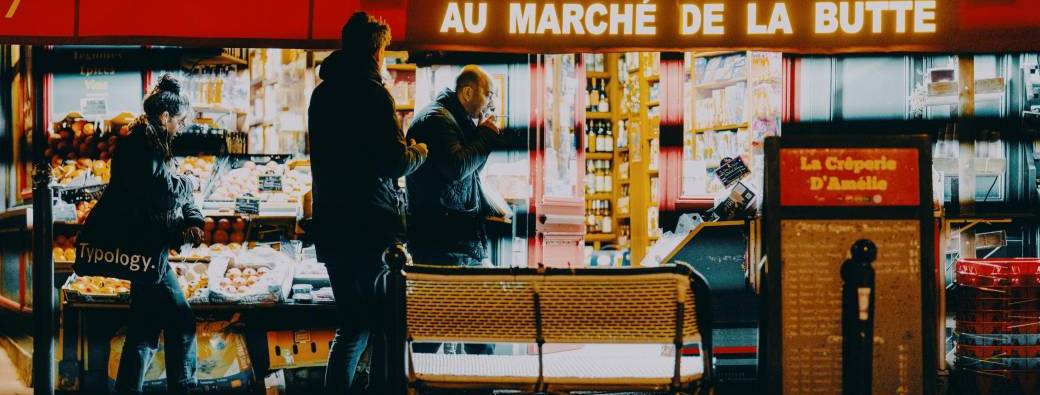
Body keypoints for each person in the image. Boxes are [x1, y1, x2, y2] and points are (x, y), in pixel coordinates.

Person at [308, 11, 428, 394]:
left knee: (351, 326)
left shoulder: (322, 94)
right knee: (385, 326)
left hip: (332, 225)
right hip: (372, 227)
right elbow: (394, 161)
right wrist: (419, 151)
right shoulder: (375, 95)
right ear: (377, 52)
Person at [107, 74, 205, 395]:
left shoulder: (149, 141)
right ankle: (183, 387)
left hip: (146, 247)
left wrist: (191, 216)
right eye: (179, 120)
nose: (180, 127)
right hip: (146, 247)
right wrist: (191, 182)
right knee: (182, 321)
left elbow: (167, 189)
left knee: (144, 329)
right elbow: (164, 191)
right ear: (165, 117)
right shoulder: (143, 145)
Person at [406, 65, 503, 355]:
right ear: (468, 92)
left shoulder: (453, 120)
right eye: (489, 94)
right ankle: (422, 376)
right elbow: (457, 167)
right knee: (439, 327)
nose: (492, 102)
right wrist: (486, 135)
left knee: (475, 326)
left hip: (456, 240)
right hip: (444, 242)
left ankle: (468, 376)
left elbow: (469, 170)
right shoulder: (437, 121)